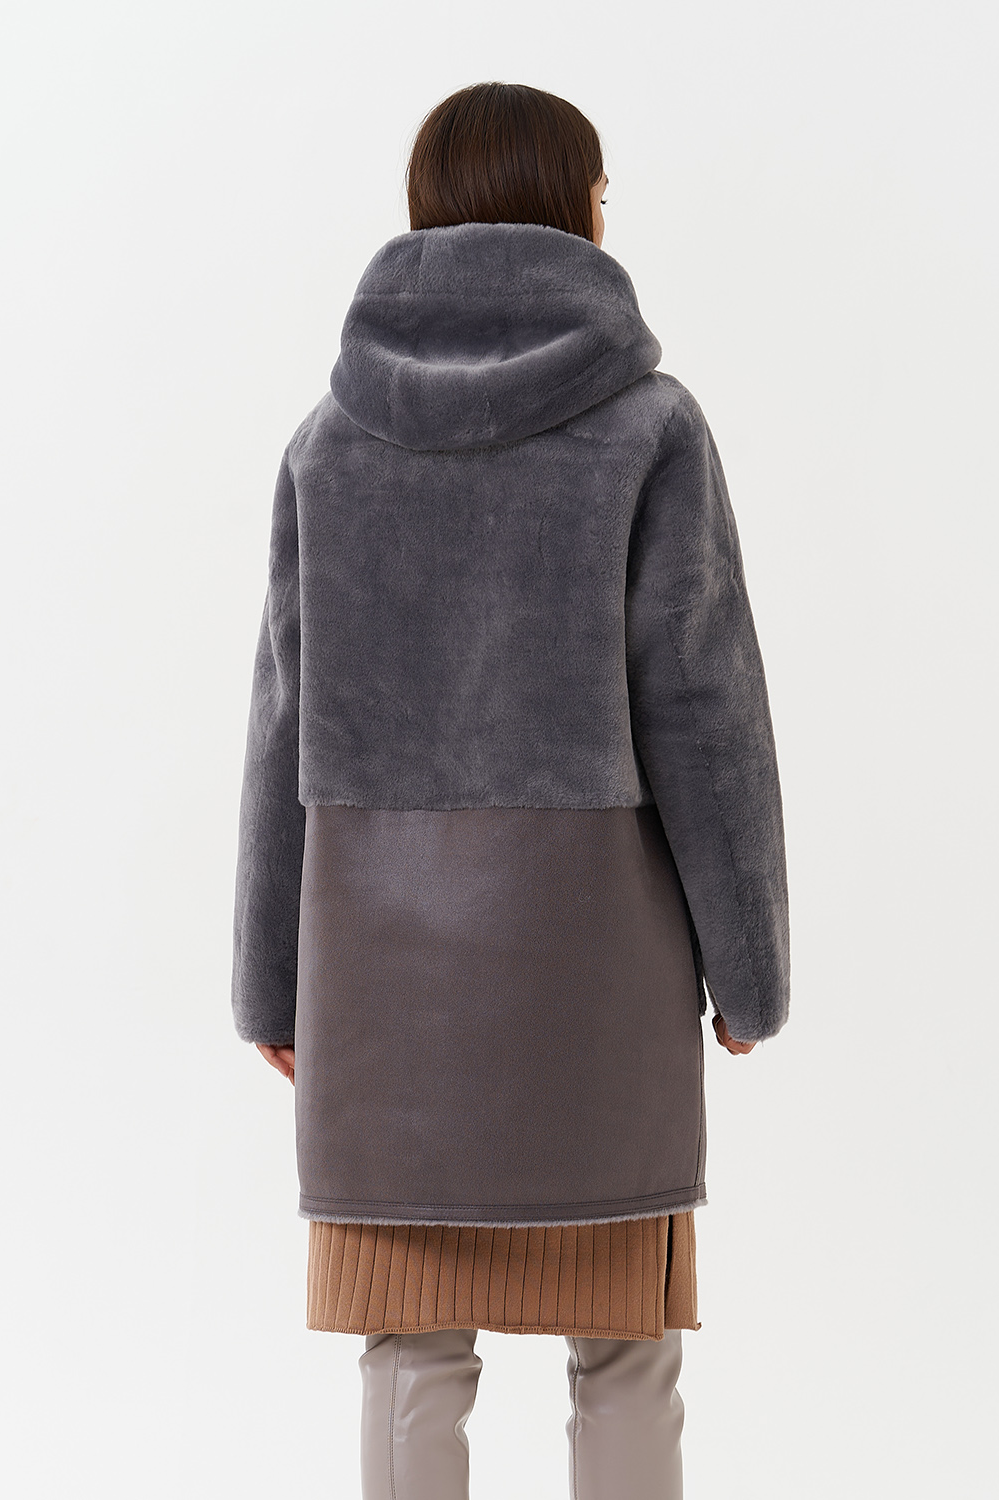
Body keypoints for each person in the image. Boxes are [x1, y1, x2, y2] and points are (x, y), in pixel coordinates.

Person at [231, 80, 789, 1500]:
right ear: (579, 212)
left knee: (409, 1353)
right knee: (627, 1352)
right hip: (594, 985)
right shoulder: (649, 428)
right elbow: (706, 710)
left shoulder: (330, 440)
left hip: (381, 989)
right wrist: (750, 970)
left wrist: (268, 984)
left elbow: (282, 721)